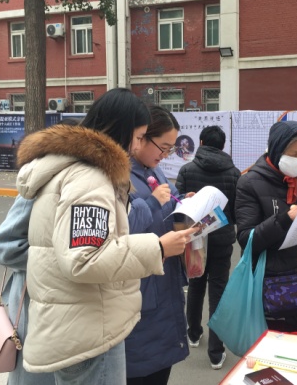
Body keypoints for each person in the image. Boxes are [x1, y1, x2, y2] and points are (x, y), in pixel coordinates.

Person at [14, 89, 195, 384]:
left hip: (82, 323)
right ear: (121, 130)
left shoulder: (80, 172)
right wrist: (158, 248)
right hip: (87, 333)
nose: (137, 147)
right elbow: (85, 259)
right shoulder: (90, 178)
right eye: (139, 137)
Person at [0, 118, 80, 385]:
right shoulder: (40, 187)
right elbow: (1, 248)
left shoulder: (72, 184)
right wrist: (60, 260)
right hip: (30, 306)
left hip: (52, 306)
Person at [235, 120, 297, 333]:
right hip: (272, 287)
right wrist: (285, 218)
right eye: (294, 154)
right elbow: (247, 239)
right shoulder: (249, 183)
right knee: (275, 348)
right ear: (276, 150)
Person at [125, 105, 192, 385]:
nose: (164, 155)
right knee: (141, 371)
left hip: (165, 284)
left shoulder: (154, 169)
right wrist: (153, 202)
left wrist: (188, 205)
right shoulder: (119, 175)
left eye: (170, 149)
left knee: (160, 369)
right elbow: (119, 235)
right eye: (162, 147)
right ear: (140, 137)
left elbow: (172, 200)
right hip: (141, 292)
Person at [175, 125, 241, 370]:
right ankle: (216, 352)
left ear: (201, 143)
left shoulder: (187, 169)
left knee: (195, 284)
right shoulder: (234, 173)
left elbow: (178, 203)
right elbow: (237, 210)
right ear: (223, 146)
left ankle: (193, 333)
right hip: (222, 239)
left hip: (195, 238)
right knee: (218, 291)